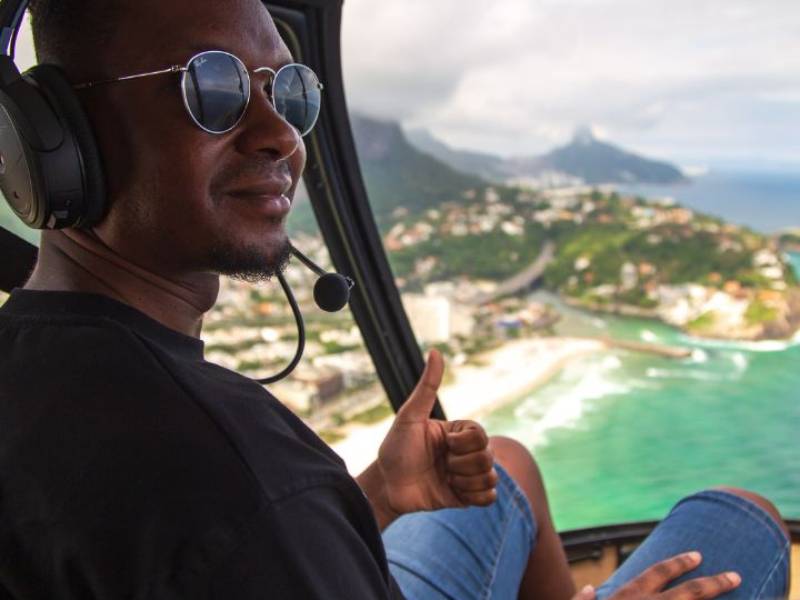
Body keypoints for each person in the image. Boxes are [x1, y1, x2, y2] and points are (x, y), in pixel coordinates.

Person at [0, 0, 790, 598]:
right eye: (216, 88)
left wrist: (375, 495)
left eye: (292, 92)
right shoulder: (242, 484)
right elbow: (247, 531)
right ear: (60, 133)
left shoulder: (33, 356)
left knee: (503, 465)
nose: (281, 135)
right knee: (741, 517)